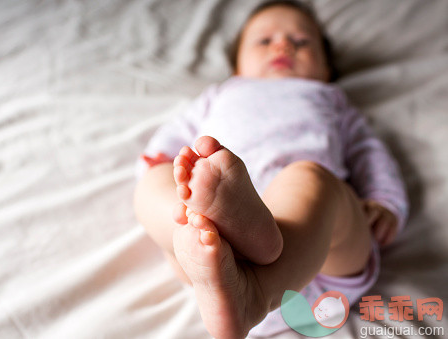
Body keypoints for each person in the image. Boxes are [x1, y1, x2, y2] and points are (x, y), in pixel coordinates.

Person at [133, 1, 409, 338]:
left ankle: (257, 291)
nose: (283, 45)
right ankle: (214, 244)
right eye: (264, 41)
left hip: (313, 259)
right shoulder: (221, 93)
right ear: (237, 65)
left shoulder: (329, 98)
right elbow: (176, 134)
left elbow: (369, 153)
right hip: (214, 259)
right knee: (154, 183)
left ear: (326, 69)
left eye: (301, 41)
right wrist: (163, 167)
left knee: (311, 177)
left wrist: (384, 201)